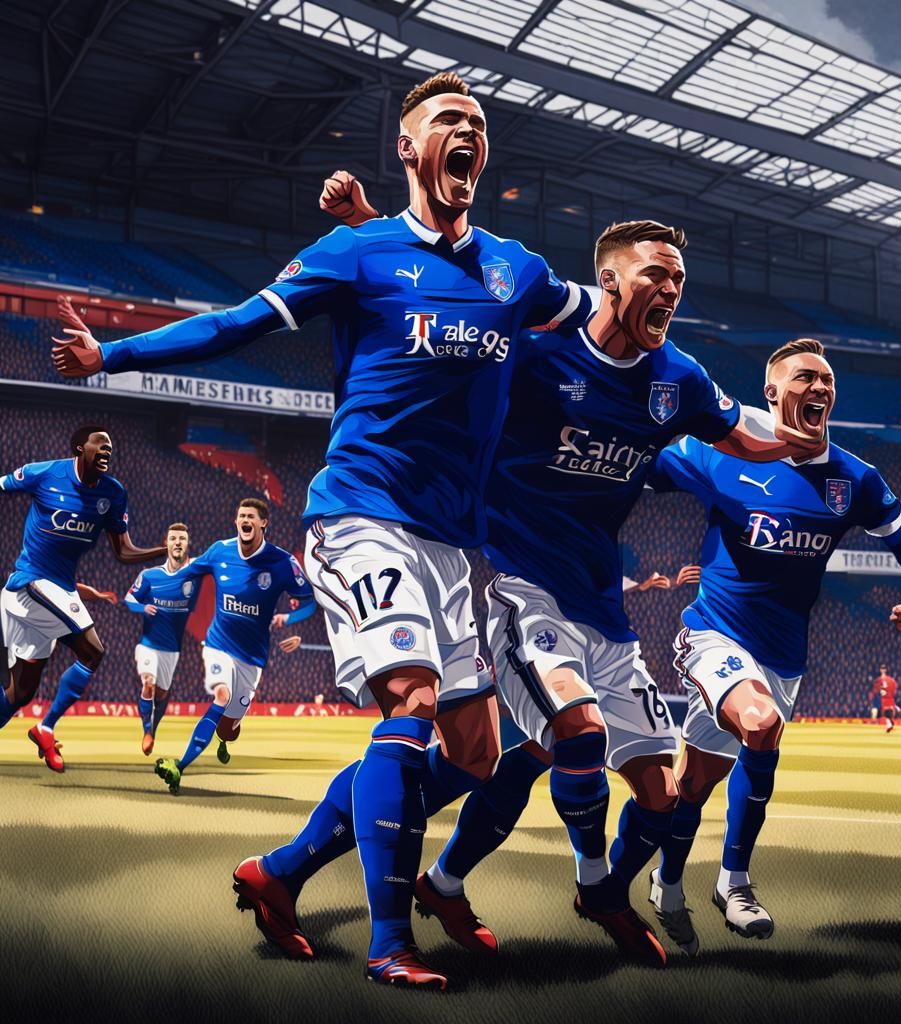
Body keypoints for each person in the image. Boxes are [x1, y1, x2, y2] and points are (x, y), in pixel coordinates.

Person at [52, 71, 591, 991]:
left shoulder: (517, 269)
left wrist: (679, 359)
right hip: (363, 516)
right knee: (412, 704)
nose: (469, 132)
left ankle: (283, 872)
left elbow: (600, 321)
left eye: (479, 123)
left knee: (473, 753)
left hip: (458, 548)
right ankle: (390, 944)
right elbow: (238, 324)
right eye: (448, 121)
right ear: (411, 146)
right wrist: (115, 355)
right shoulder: (358, 253)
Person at [234, 213, 820, 967]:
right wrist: (363, 232)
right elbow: (461, 308)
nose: (672, 287)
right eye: (657, 273)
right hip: (522, 590)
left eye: (679, 277)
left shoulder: (677, 381)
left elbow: (745, 434)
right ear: (608, 279)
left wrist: (811, 440)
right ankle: (592, 885)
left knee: (567, 775)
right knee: (570, 732)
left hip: (603, 612)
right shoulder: (535, 356)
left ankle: (300, 872)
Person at [647, 338, 901, 951]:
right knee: (760, 726)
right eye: (804, 378)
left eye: (826, 380)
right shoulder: (720, 452)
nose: (819, 388)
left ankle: (665, 881)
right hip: (711, 632)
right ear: (771, 393)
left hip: (783, 656)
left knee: (698, 780)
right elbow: (633, 468)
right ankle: (733, 883)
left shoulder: (853, 478)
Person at [0, 426, 164, 771]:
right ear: (80, 447)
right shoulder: (44, 473)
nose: (106, 451)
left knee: (21, 693)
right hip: (30, 583)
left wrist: (162, 550)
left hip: (58, 589)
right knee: (94, 649)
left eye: (110, 448)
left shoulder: (113, 493)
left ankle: (42, 729)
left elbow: (123, 551)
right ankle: (46, 727)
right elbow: (2, 484)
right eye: (100, 445)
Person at [152, 499, 312, 793]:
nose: (245, 520)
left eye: (251, 516)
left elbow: (309, 600)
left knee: (228, 728)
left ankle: (225, 738)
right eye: (241, 516)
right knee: (221, 696)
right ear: (236, 523)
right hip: (218, 645)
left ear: (264, 523)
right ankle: (180, 766)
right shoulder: (219, 551)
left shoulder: (282, 562)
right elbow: (187, 570)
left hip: (252, 658)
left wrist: (289, 619)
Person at [124, 522, 200, 754]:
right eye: (173, 538)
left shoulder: (195, 571)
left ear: (188, 544)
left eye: (182, 539)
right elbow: (129, 599)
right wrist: (142, 608)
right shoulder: (149, 575)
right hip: (148, 645)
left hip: (172, 649)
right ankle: (146, 730)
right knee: (148, 682)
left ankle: (154, 729)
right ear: (165, 543)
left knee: (162, 693)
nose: (178, 542)